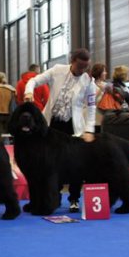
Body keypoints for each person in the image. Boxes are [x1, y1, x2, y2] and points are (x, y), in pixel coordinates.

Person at [25, 48, 97, 212]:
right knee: (49, 164)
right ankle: (52, 197)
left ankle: (74, 199)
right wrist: (29, 92)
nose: (82, 70)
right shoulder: (57, 70)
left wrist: (89, 130)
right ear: (72, 61)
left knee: (76, 165)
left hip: (74, 128)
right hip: (51, 126)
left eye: (85, 67)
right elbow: (34, 81)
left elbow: (92, 108)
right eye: (80, 66)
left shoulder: (88, 82)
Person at [91, 63, 109, 130]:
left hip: (104, 119)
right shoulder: (90, 85)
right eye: (104, 71)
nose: (106, 73)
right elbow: (89, 102)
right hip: (93, 120)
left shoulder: (106, 85)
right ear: (99, 72)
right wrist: (101, 90)